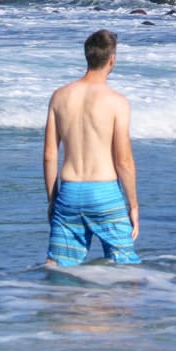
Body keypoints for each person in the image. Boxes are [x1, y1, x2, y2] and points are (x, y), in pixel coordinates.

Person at [43, 28, 140, 268]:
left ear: (87, 55)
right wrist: (133, 206)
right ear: (112, 59)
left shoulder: (59, 96)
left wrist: (52, 200)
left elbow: (49, 155)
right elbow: (124, 161)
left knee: (59, 268)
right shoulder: (117, 102)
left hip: (69, 192)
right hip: (104, 193)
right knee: (125, 269)